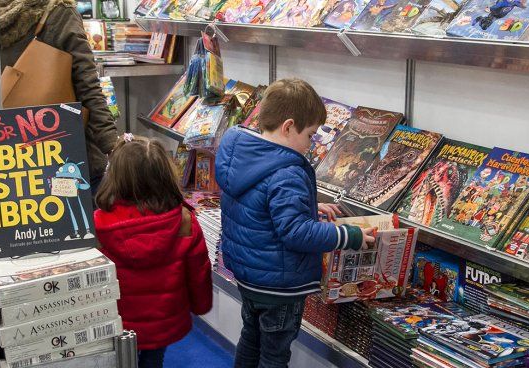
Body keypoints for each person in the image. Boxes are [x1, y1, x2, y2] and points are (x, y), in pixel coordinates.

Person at [215, 78, 376, 368]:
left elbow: (260, 205)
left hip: (250, 277)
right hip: (279, 285)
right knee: (274, 356)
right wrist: (348, 235)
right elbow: (296, 233)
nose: (312, 143)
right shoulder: (287, 171)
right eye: (311, 135)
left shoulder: (245, 155)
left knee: (251, 340)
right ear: (288, 126)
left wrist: (308, 206)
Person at [94, 134, 213, 368]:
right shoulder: (183, 221)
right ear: (164, 174)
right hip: (163, 319)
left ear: (115, 176)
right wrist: (200, 305)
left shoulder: (100, 224)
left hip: (116, 320)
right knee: (153, 361)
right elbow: (199, 270)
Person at [0, 0, 118, 190]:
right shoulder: (59, 11)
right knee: (77, 213)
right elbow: (87, 83)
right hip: (66, 145)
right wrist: (111, 143)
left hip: (14, 151)